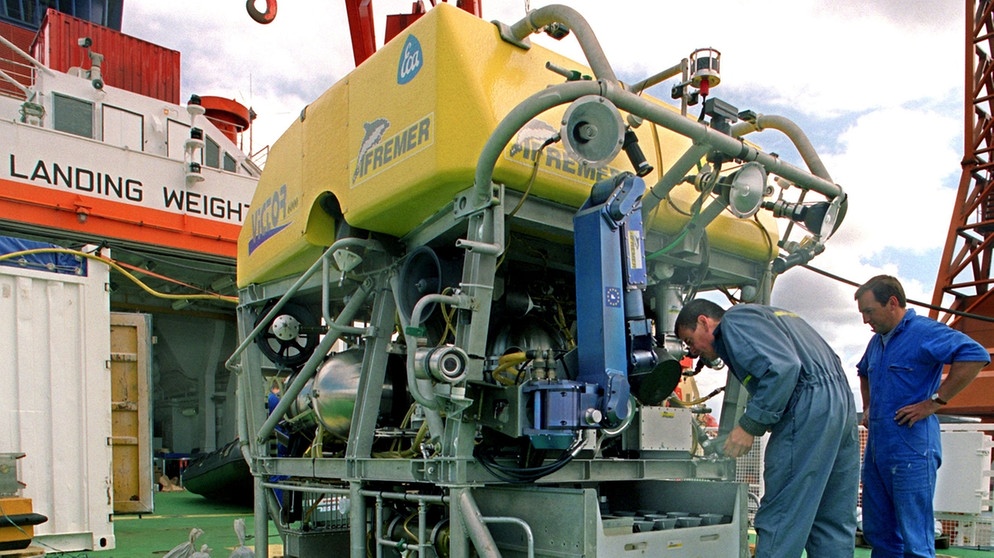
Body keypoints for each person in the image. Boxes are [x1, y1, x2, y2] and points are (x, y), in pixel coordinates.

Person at [675, 299, 859, 558]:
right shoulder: (771, 317)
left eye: (690, 340)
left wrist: (750, 425)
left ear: (704, 322)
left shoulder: (734, 321)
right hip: (841, 403)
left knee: (782, 515)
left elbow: (783, 368)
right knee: (831, 519)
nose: (693, 351)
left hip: (809, 405)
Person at [855, 275, 989, 557]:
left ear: (892, 303)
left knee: (915, 536)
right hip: (878, 450)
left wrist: (934, 402)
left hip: (912, 449)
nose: (866, 320)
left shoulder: (925, 332)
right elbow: (863, 371)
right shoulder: (877, 342)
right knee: (878, 532)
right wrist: (867, 407)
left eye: (869, 311)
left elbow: (975, 355)